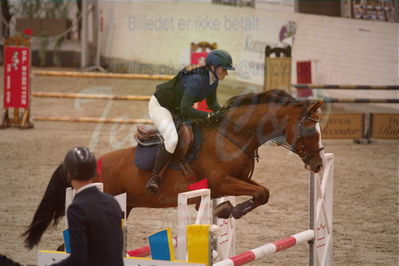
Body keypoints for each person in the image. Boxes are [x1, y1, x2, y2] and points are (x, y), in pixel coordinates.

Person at [145, 49, 235, 194]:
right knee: (172, 140)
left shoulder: (213, 80)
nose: (226, 73)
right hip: (161, 106)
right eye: (224, 69)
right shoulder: (196, 81)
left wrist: (226, 113)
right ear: (213, 67)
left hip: (176, 109)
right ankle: (154, 177)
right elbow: (186, 109)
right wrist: (208, 117)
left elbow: (212, 104)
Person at [53, 146, 123, 266]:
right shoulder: (112, 202)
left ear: (68, 174)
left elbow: (78, 260)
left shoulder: (77, 209)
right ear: (93, 172)